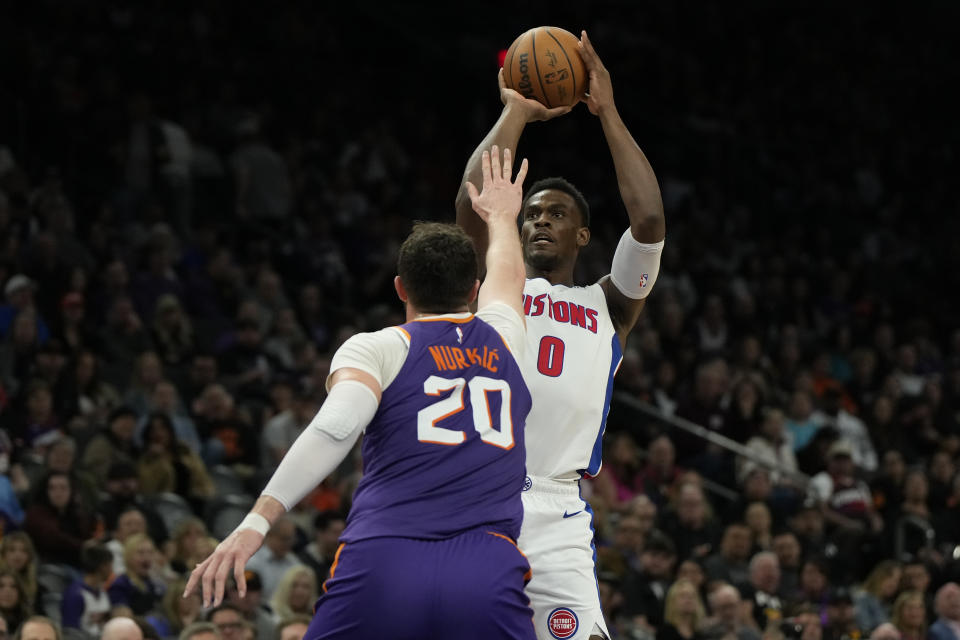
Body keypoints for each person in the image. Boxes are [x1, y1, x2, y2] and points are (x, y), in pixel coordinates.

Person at [186, 145, 535, 639]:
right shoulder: (506, 338)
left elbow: (337, 426)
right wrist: (502, 217)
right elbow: (510, 274)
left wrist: (256, 522)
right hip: (484, 564)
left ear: (399, 288)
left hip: (384, 558)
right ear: (474, 289)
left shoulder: (379, 347)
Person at [455, 33, 665, 640]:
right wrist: (517, 110)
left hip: (558, 508)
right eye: (531, 213)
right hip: (478, 489)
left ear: (582, 236)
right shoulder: (495, 281)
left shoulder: (609, 305)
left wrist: (608, 112)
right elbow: (472, 206)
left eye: (556, 214)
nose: (540, 219)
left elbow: (649, 222)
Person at [60, 545, 113, 636]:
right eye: (110, 565)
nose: (112, 570)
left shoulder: (103, 592)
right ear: (102, 566)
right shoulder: (75, 595)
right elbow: (70, 633)